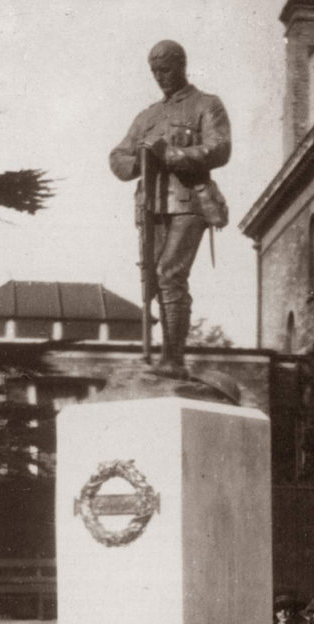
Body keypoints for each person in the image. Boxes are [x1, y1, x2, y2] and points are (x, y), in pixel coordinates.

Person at [109, 40, 231, 377]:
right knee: (155, 279)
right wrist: (139, 160)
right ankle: (166, 355)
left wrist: (172, 155)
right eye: (154, 71)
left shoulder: (207, 104)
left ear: (181, 65)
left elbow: (220, 148)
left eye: (165, 69)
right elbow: (117, 156)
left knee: (169, 274)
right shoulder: (147, 116)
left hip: (191, 201)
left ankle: (174, 359)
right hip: (152, 206)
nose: (160, 77)